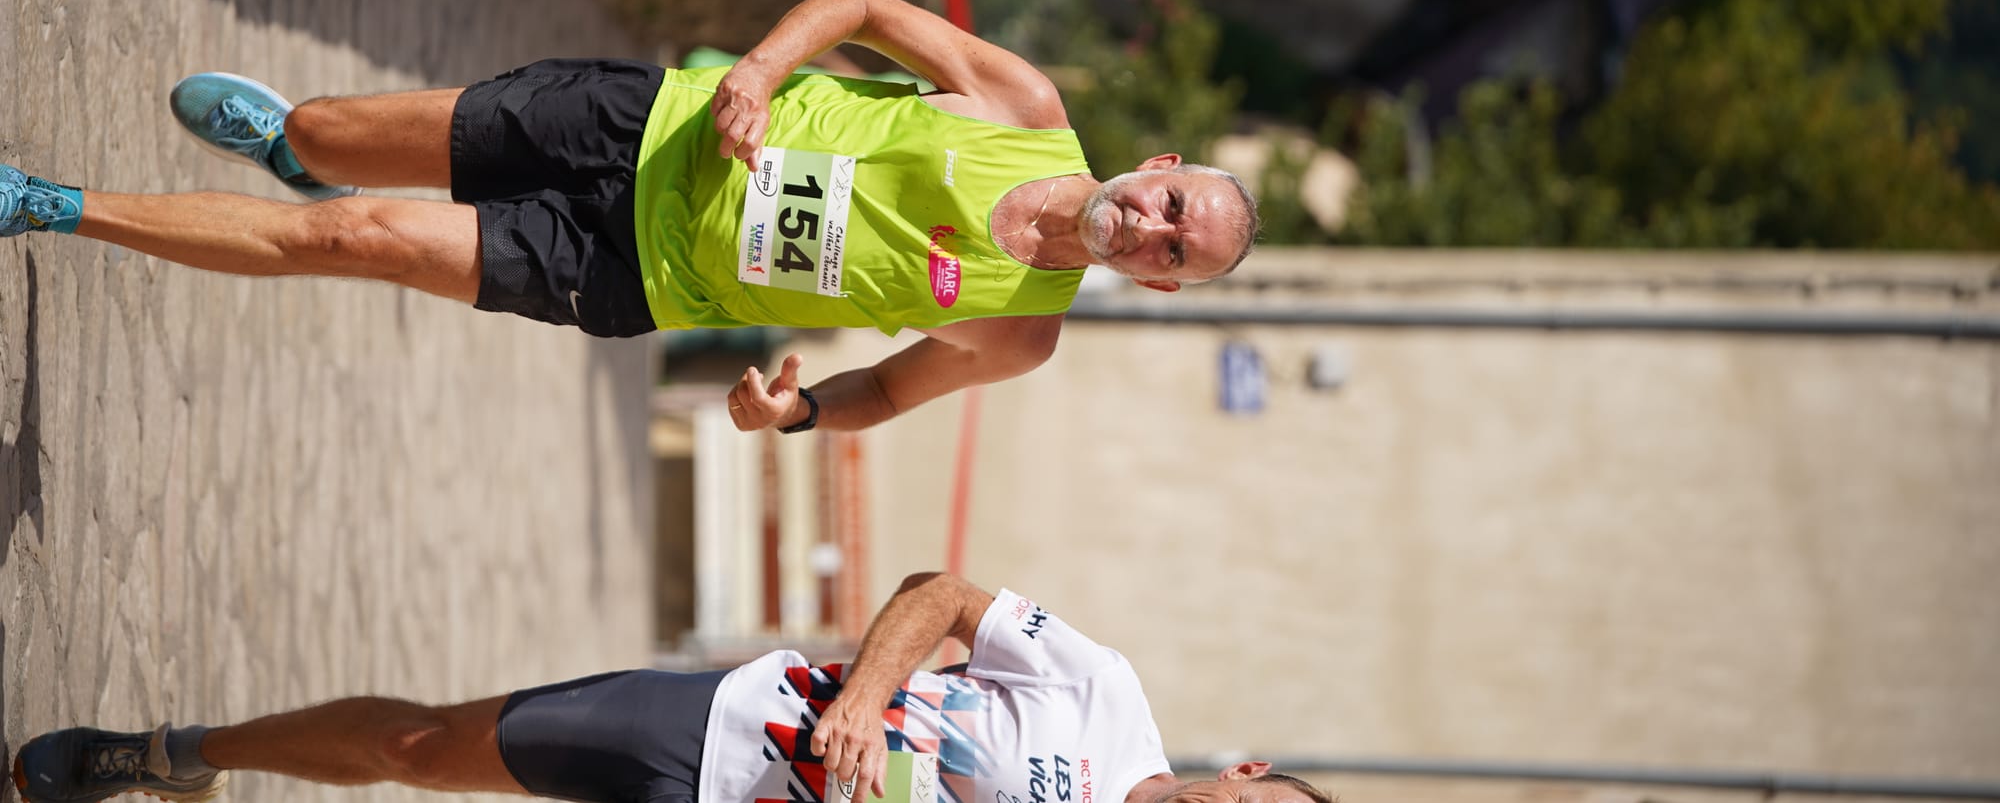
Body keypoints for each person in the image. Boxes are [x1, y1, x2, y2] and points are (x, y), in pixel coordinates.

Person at [0, 0, 1258, 433]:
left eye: (1170, 250)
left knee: (358, 237)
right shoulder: (1021, 100)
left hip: (630, 271)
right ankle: (292, 144)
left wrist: (795, 410)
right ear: (1154, 164)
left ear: (1155, 284)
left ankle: (49, 203)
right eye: (1168, 202)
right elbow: (866, 5)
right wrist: (760, 70)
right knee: (331, 140)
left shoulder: (1019, 328)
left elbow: (881, 393)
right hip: (637, 121)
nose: (1150, 226)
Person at [9, 573, 1331, 803]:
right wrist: (864, 703)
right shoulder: (1104, 691)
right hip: (722, 733)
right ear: (1249, 773)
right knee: (424, 745)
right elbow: (938, 595)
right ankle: (175, 750)